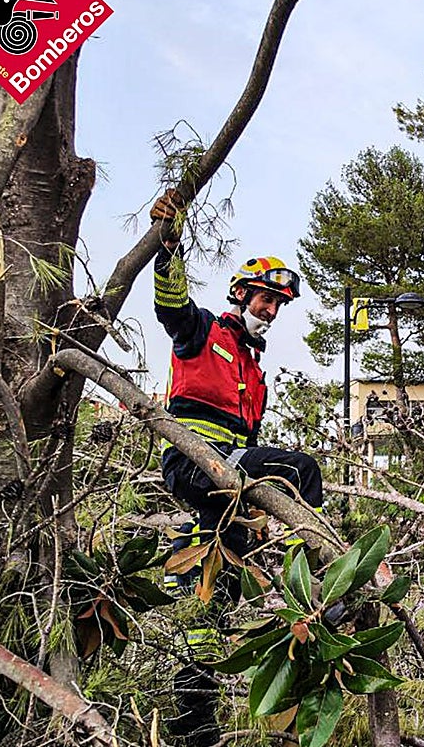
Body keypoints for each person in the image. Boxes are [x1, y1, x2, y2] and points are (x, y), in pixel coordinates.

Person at [148, 188, 323, 746]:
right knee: (301, 470)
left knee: (211, 606)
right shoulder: (204, 332)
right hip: (195, 463)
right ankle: (313, 580)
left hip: (227, 480)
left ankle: (190, 725)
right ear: (243, 294)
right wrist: (168, 243)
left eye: (278, 305)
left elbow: (247, 440)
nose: (270, 310)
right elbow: (170, 304)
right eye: (264, 300)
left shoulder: (254, 367)